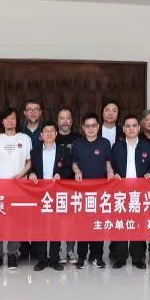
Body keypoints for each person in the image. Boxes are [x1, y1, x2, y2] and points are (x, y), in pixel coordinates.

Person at [0, 107, 32, 271]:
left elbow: (29, 162)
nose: (9, 121)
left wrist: (19, 176)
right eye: (6, 118)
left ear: (17, 120)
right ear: (2, 121)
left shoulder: (25, 138)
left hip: (19, 187)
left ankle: (12, 253)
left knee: (16, 222)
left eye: (12, 118)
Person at [72, 113, 115, 269]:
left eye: (93, 126)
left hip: (100, 191)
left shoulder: (105, 143)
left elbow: (108, 162)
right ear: (83, 128)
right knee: (83, 224)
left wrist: (110, 171)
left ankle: (97, 256)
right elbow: (74, 163)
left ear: (98, 127)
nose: (91, 129)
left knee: (98, 223)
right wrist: (77, 171)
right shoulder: (77, 143)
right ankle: (82, 256)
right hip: (82, 191)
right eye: (87, 126)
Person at [110, 115, 150, 269]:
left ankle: (138, 258)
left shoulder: (147, 146)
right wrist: (114, 173)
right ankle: (120, 257)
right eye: (128, 126)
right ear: (123, 129)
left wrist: (149, 173)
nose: (131, 128)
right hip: (121, 191)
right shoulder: (117, 147)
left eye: (134, 125)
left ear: (139, 128)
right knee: (121, 224)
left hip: (140, 191)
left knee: (138, 224)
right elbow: (111, 165)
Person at [27, 121, 70, 271]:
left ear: (56, 134)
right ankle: (42, 260)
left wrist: (61, 174)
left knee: (56, 226)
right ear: (41, 135)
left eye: (52, 131)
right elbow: (31, 167)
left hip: (57, 193)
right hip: (39, 193)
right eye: (46, 131)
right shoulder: (35, 151)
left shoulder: (64, 151)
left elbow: (69, 169)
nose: (49, 134)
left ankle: (54, 259)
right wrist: (31, 173)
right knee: (40, 226)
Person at [18, 99, 44, 261]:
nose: (33, 112)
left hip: (41, 180)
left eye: (36, 109)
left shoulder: (47, 130)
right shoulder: (19, 132)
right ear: (25, 113)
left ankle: (36, 248)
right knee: (22, 215)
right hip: (22, 179)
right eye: (29, 109)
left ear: (40, 112)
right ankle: (23, 248)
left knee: (38, 215)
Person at [55, 107, 80, 264]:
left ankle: (70, 250)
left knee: (72, 219)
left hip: (74, 184)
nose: (65, 121)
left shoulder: (78, 138)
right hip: (56, 184)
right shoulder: (52, 136)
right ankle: (57, 250)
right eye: (62, 118)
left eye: (67, 118)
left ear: (71, 120)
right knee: (57, 219)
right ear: (58, 121)